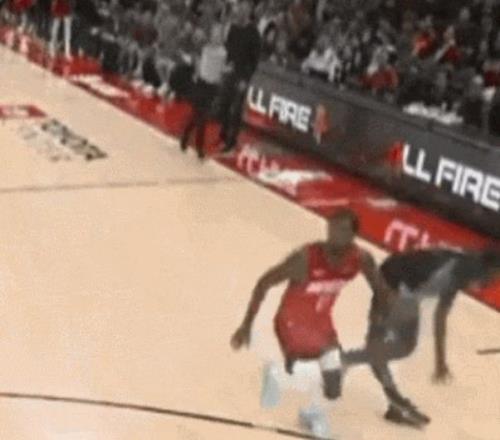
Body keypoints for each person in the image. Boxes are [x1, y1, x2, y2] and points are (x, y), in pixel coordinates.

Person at [231, 209, 397, 437]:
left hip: (321, 321)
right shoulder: (304, 258)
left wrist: (392, 311)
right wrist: (246, 325)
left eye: (341, 230)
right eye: (332, 227)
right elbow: (264, 283)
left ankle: (309, 411)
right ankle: (280, 374)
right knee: (328, 366)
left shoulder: (361, 259)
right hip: (291, 321)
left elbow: (381, 290)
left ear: (353, 235)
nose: (334, 234)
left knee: (334, 382)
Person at [343, 247, 500, 427]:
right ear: (493, 269)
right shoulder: (466, 271)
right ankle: (344, 360)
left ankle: (393, 403)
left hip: (398, 281)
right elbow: (440, 317)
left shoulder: (465, 262)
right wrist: (440, 361)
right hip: (397, 286)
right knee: (398, 346)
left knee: (383, 347)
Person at [219, 0, 261, 153]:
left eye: (244, 8)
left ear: (249, 10)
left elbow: (254, 60)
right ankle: (224, 133)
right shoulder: (234, 28)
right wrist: (226, 64)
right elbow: (228, 48)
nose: (241, 10)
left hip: (242, 75)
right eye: (240, 7)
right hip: (230, 72)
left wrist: (246, 78)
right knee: (223, 104)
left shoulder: (254, 33)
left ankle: (231, 141)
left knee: (235, 109)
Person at [180, 23, 227, 159]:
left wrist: (223, 76)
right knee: (200, 116)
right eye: (214, 34)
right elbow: (198, 60)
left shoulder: (223, 53)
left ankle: (187, 136)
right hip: (201, 84)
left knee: (201, 117)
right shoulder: (205, 48)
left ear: (221, 37)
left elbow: (220, 70)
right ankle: (198, 146)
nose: (216, 37)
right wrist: (197, 72)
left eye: (218, 35)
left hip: (212, 88)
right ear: (211, 35)